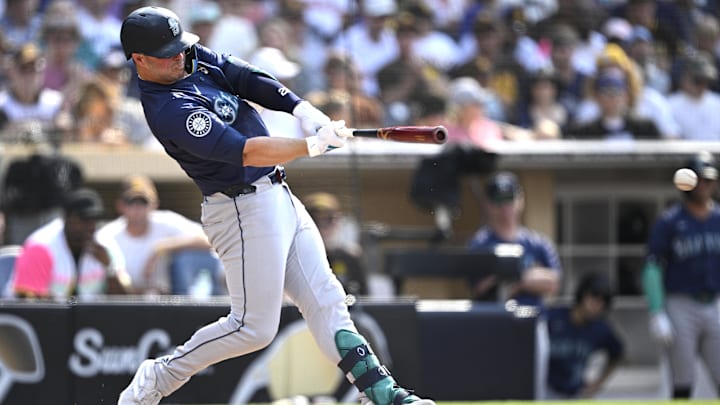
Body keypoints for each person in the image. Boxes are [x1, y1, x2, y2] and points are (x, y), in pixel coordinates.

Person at [117, 7, 435, 405]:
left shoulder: (190, 59)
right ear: (139, 60)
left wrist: (302, 110)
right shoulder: (167, 109)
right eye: (167, 53)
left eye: (179, 47)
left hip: (278, 195)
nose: (179, 56)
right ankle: (159, 377)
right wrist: (310, 145)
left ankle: (385, 396)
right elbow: (246, 152)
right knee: (253, 328)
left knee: (328, 302)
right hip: (239, 208)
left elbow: (246, 78)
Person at [467, 171, 561, 399]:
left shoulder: (536, 243)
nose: (505, 208)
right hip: (492, 326)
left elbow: (553, 281)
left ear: (520, 200)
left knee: (531, 389)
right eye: (499, 201)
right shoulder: (481, 244)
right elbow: (479, 286)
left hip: (533, 324)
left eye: (510, 199)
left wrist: (515, 277)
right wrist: (527, 277)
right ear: (488, 205)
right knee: (494, 390)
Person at [642, 151, 720, 399]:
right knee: (683, 379)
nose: (706, 186)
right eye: (701, 180)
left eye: (710, 180)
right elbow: (653, 267)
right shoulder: (670, 221)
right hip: (681, 304)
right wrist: (657, 312)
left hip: (715, 303)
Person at [97, 174, 224, 296]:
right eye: (131, 202)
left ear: (154, 204)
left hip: (163, 300)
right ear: (120, 205)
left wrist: (161, 247)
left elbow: (211, 239)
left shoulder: (165, 221)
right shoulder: (108, 235)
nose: (137, 208)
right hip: (121, 300)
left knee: (189, 258)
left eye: (143, 202)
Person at [11, 187, 130, 300]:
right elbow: (26, 301)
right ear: (66, 218)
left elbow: (124, 301)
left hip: (92, 319)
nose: (90, 226)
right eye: (84, 219)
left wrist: (109, 268)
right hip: (47, 319)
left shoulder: (106, 246)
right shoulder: (40, 246)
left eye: (94, 219)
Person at [546, 273, 625, 399]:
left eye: (603, 301)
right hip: (546, 390)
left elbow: (618, 353)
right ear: (582, 295)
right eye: (594, 297)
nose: (597, 305)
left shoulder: (601, 329)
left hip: (576, 393)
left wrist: (597, 384)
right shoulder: (553, 317)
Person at [304, 192, 368, 297]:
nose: (323, 226)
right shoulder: (295, 257)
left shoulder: (349, 258)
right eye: (316, 220)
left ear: (337, 221)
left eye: (328, 219)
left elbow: (363, 298)